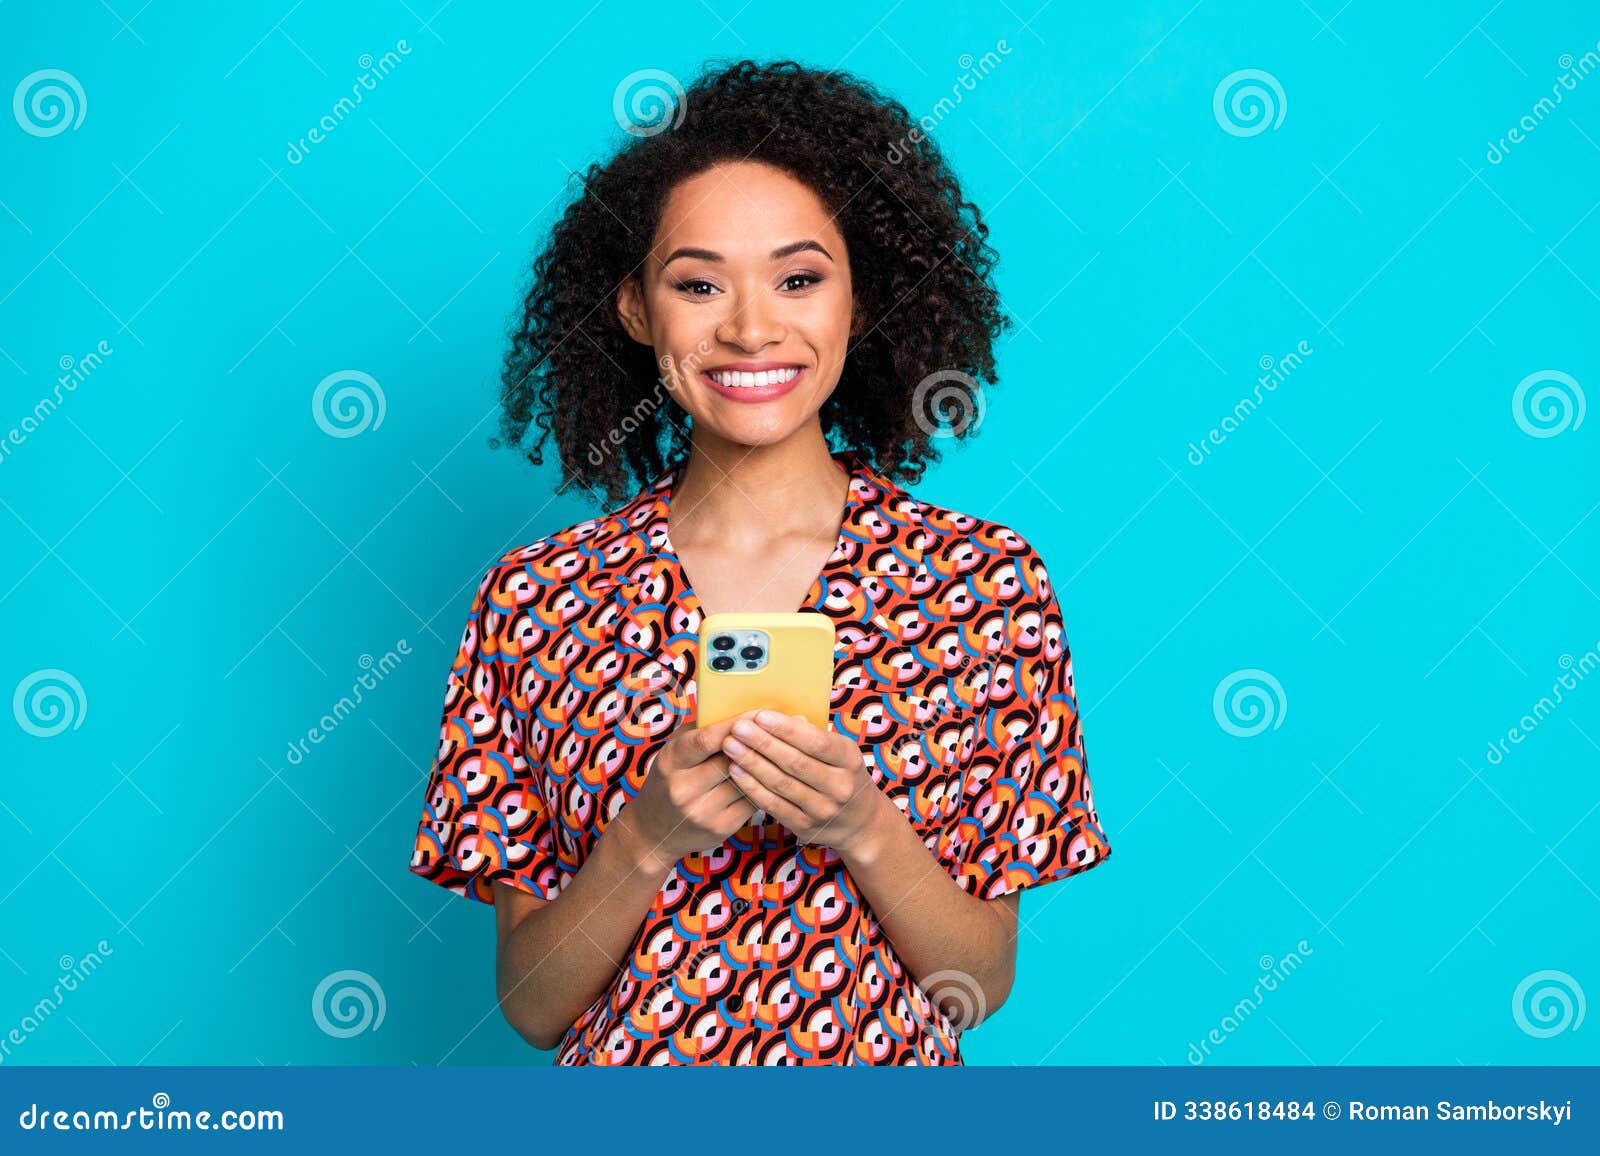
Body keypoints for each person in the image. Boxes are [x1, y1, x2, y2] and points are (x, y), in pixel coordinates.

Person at [407, 58, 1112, 1065]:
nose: (748, 326)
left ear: (857, 302)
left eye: (798, 278)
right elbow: (531, 1005)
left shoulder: (983, 585)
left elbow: (978, 985)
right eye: (697, 283)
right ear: (636, 309)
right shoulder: (536, 598)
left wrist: (862, 825)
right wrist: (644, 839)